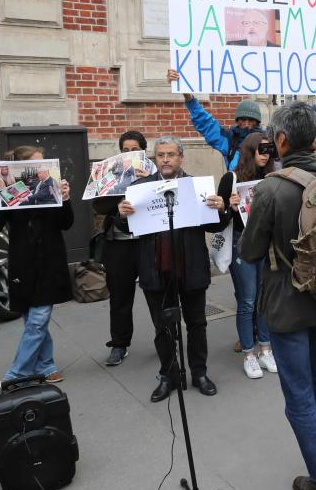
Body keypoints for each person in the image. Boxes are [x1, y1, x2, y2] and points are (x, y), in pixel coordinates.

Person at [239, 101, 316, 490]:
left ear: (281, 140)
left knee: (299, 391)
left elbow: (249, 253)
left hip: (287, 302)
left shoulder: (271, 188)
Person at [118, 137, 231, 402]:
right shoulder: (139, 188)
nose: (166, 159)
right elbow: (128, 228)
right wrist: (121, 216)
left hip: (189, 268)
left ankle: (199, 372)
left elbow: (214, 226)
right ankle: (168, 375)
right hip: (156, 271)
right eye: (160, 155)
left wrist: (222, 209)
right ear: (154, 159)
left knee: (197, 324)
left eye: (171, 154)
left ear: (181, 157)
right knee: (163, 328)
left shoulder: (195, 187)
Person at [0, 146, 73, 388]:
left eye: (45, 165)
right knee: (31, 318)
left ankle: (18, 373)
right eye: (38, 165)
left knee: (38, 319)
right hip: (22, 261)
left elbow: (66, 223)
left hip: (51, 259)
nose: (44, 169)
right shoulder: (10, 190)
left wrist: (65, 198)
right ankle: (46, 365)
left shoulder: (50, 187)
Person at [165, 69, 316, 170]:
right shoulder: (229, 140)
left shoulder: (268, 138)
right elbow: (204, 122)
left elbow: (299, 118)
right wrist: (187, 93)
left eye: (250, 121)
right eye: (242, 120)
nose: (246, 125)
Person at [218, 133, 278, 379]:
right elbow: (214, 218)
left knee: (263, 299)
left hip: (267, 246)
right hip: (241, 246)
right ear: (250, 150)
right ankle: (249, 354)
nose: (266, 154)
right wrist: (228, 208)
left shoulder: (272, 177)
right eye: (261, 149)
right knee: (248, 301)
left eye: (270, 150)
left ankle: (265, 349)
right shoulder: (231, 178)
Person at [93, 131, 150, 366]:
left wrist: (144, 182)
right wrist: (117, 196)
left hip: (146, 242)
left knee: (156, 295)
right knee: (120, 297)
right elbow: (98, 206)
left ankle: (165, 339)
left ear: (143, 151)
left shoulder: (153, 171)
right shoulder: (110, 172)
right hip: (118, 244)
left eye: (134, 149)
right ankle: (119, 344)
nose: (129, 154)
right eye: (125, 150)